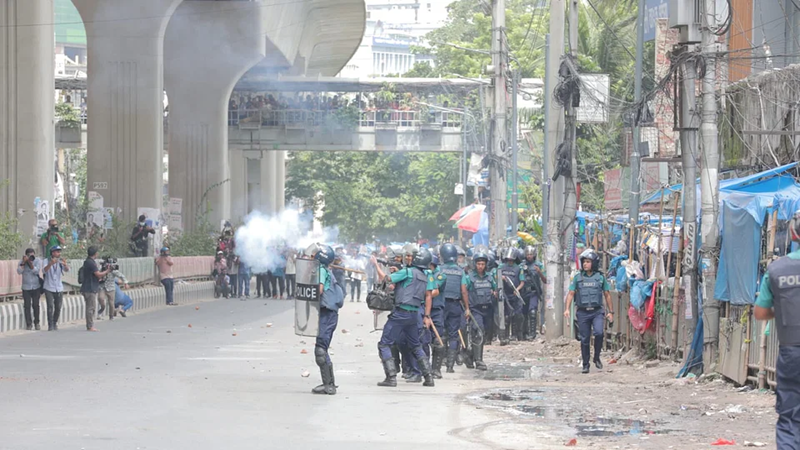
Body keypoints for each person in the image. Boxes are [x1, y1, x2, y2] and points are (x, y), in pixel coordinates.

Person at [754, 210, 800, 448]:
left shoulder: (776, 270)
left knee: (791, 419)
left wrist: (781, 311)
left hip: (792, 353)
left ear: (793, 233)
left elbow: (761, 313)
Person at [374, 247, 435, 388]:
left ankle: (391, 377)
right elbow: (426, 295)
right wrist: (426, 315)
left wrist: (377, 266)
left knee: (384, 343)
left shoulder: (407, 272)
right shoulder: (425, 275)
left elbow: (386, 279)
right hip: (414, 315)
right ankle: (428, 377)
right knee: (415, 345)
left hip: (400, 313)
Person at [564, 249, 613, 374]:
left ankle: (596, 357)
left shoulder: (600, 278)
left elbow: (607, 295)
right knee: (584, 339)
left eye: (588, 262)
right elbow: (570, 294)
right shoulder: (577, 278)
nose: (585, 264)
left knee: (599, 333)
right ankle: (586, 364)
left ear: (594, 263)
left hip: (597, 312)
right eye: (584, 262)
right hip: (583, 312)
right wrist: (567, 309)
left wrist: (611, 312)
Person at [312, 245, 344, 395]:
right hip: (330, 314)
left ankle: (329, 386)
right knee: (322, 348)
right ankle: (329, 383)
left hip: (327, 314)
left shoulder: (321, 270)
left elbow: (318, 290)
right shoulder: (327, 271)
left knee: (320, 349)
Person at [439, 243, 470, 373]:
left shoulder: (439, 270)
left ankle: (442, 359)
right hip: (455, 305)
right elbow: (464, 291)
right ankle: (450, 366)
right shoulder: (460, 271)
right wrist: (467, 308)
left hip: (441, 305)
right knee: (453, 335)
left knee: (442, 333)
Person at [464, 251, 496, 371]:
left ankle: (470, 355)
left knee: (485, 334)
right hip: (475, 310)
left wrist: (495, 293)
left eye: (483, 264)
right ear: (475, 264)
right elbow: (464, 293)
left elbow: (495, 289)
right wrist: (467, 309)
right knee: (479, 332)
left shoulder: (490, 277)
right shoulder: (469, 278)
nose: (480, 266)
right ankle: (479, 360)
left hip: (488, 310)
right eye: (478, 264)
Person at [498, 248, 525, 345]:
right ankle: (505, 336)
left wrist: (517, 289)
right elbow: (496, 278)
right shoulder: (501, 267)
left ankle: (516, 335)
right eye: (508, 259)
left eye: (511, 259)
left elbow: (522, 282)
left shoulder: (518, 268)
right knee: (506, 316)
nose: (510, 261)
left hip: (515, 294)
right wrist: (500, 278)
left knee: (516, 315)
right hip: (505, 294)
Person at [81, 246, 112, 331]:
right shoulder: (91, 263)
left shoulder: (87, 261)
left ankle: (90, 325)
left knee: (90, 307)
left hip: (88, 287)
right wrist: (107, 271)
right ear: (95, 254)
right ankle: (90, 326)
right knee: (91, 308)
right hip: (89, 288)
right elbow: (98, 274)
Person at [426, 253, 447, 378]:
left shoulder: (440, 275)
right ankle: (424, 369)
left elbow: (434, 291)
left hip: (436, 310)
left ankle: (436, 369)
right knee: (422, 340)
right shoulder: (423, 274)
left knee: (437, 339)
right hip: (423, 309)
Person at [521, 245, 546, 340]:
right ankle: (523, 333)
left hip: (533, 292)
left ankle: (532, 334)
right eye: (527, 254)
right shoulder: (521, 265)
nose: (529, 256)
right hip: (523, 292)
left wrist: (539, 272)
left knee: (532, 312)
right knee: (523, 314)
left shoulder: (539, 265)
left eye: (531, 254)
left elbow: (545, 280)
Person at [43, 246, 69, 331]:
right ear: (52, 252)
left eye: (59, 252)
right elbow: (44, 271)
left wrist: (65, 265)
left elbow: (67, 270)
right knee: (50, 306)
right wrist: (51, 264)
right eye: (57, 252)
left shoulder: (60, 261)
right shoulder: (46, 261)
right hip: (49, 287)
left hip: (58, 287)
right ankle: (50, 324)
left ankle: (55, 322)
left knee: (58, 306)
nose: (58, 253)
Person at [17, 248, 44, 330]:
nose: (31, 257)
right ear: (26, 255)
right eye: (29, 255)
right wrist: (24, 262)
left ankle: (37, 323)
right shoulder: (22, 262)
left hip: (36, 286)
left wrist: (30, 263)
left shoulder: (37, 261)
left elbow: (36, 271)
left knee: (36, 305)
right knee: (27, 306)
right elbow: (19, 271)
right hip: (26, 287)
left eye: (32, 255)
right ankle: (29, 324)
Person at [98, 257, 128, 321]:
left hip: (111, 287)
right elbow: (97, 274)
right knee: (101, 298)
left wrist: (125, 283)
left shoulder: (114, 271)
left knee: (111, 303)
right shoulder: (101, 269)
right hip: (102, 286)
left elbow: (121, 276)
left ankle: (111, 316)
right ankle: (101, 310)